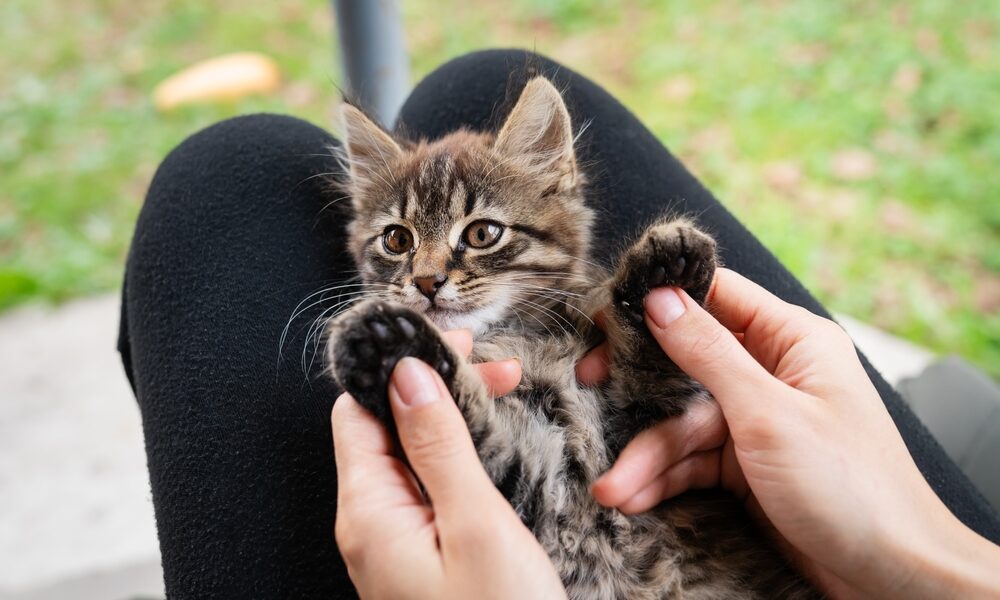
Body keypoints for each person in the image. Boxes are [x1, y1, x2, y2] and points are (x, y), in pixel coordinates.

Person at [118, 50, 1000, 598]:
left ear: (557, 209)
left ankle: (449, 396)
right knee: (466, 84)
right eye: (396, 243)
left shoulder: (571, 339)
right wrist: (924, 561)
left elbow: (553, 475)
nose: (428, 273)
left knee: (222, 178)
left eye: (480, 236)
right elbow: (645, 431)